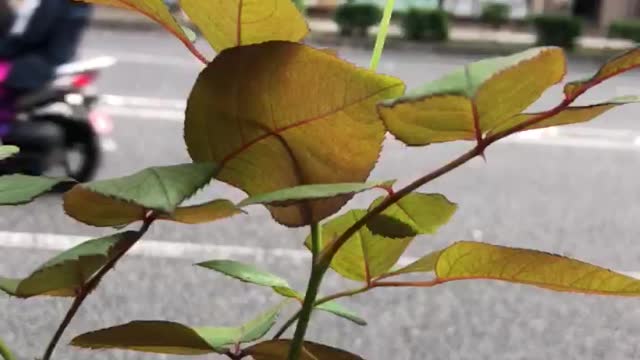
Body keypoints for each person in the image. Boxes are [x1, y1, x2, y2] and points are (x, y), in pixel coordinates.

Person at [0, 0, 92, 174]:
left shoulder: (54, 3)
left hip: (39, 64)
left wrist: (5, 48)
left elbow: (30, 36)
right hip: (47, 58)